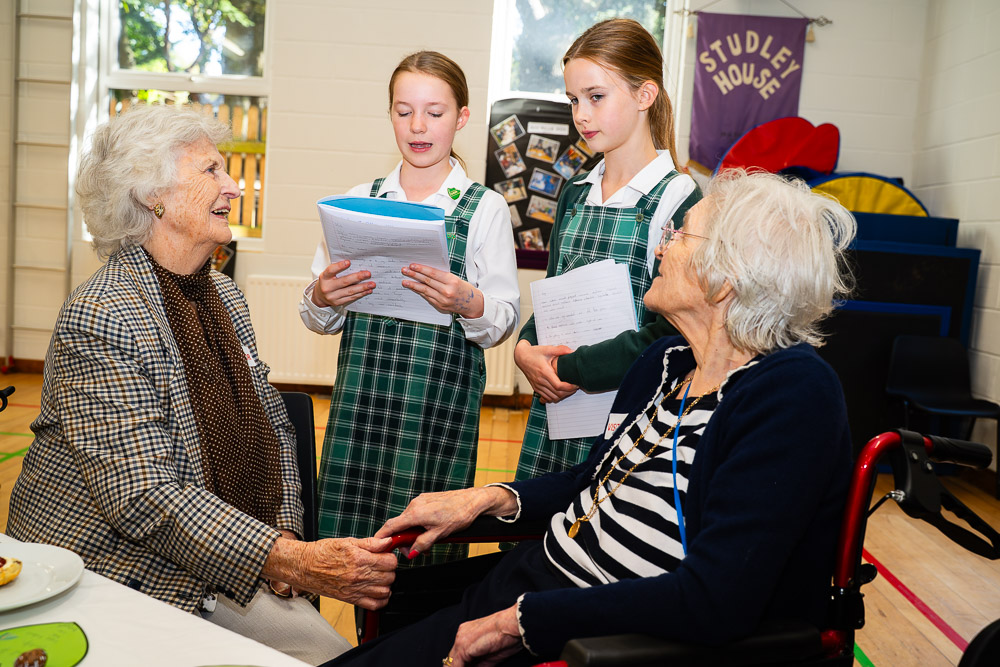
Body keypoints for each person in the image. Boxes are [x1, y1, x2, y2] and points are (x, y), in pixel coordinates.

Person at [325, 169, 857, 667]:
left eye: (679, 236)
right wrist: (491, 497)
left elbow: (717, 599)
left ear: (724, 279)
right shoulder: (666, 363)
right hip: (539, 581)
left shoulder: (791, 395)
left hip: (592, 635)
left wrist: (520, 622)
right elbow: (596, 482)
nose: (660, 247)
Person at [6, 104, 397, 666]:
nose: (233, 187)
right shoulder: (103, 314)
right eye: (210, 171)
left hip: (222, 559)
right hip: (113, 572)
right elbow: (144, 498)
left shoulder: (223, 296)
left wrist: (284, 535)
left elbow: (275, 434)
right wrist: (285, 559)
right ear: (151, 196)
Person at [299, 51, 519, 566]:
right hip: (361, 408)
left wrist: (467, 301)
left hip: (436, 414)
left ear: (461, 118)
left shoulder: (483, 208)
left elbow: (503, 318)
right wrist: (322, 296)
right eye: (404, 111)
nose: (418, 126)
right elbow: (317, 315)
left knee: (423, 562)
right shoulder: (358, 199)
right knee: (349, 555)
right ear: (391, 114)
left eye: (435, 113)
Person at [514, 18, 702, 482]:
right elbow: (552, 295)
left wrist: (573, 367)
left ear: (645, 95)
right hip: (557, 408)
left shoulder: (679, 199)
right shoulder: (575, 192)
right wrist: (523, 348)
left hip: (631, 417)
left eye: (596, 97)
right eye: (574, 100)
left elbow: (672, 332)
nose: (581, 114)